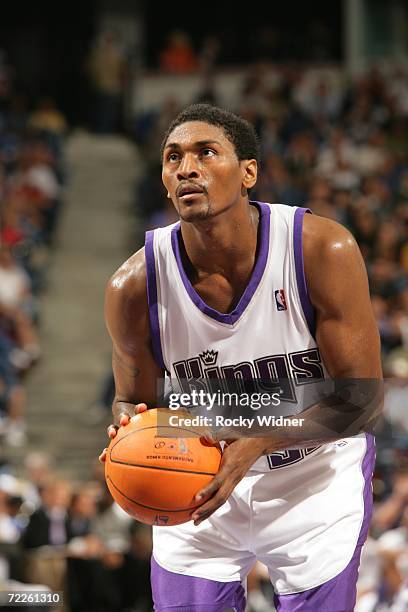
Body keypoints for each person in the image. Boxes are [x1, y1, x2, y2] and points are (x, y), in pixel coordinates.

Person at [99, 104, 382, 611]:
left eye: (206, 153)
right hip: (198, 482)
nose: (187, 168)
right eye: (172, 158)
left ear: (248, 171)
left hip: (311, 477)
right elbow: (130, 401)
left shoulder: (321, 249)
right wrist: (127, 437)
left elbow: (361, 399)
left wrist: (255, 441)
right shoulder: (133, 286)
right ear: (165, 181)